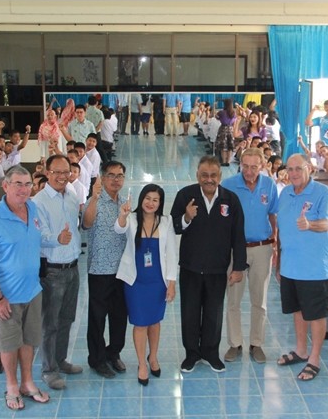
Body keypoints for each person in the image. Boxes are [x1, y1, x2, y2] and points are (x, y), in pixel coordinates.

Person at [0, 165, 49, 411]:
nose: (24, 189)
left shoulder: (32, 208)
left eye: (28, 184)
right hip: (5, 297)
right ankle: (12, 386)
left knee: (28, 341)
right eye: (18, 184)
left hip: (32, 291)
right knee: (8, 344)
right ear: (5, 186)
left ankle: (28, 382)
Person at [170, 156, 247, 373]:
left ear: (220, 176)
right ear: (197, 175)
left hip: (217, 268)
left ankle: (210, 353)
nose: (209, 179)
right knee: (190, 312)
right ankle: (191, 354)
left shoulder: (230, 200)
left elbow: (238, 235)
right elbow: (173, 226)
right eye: (204, 175)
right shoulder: (186, 196)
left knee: (214, 313)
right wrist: (186, 217)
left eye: (213, 175)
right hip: (190, 267)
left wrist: (238, 267)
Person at [275, 154, 328, 381]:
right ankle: (301, 350)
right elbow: (281, 228)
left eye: (298, 168)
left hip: (313, 267)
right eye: (290, 169)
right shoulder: (285, 193)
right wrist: (279, 261)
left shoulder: (322, 192)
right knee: (297, 309)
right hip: (290, 265)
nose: (294, 173)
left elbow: (326, 223)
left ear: (308, 168)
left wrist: (310, 224)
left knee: (316, 314)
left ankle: (314, 358)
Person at [115, 184, 177, 385]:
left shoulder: (166, 221)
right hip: (135, 281)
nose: (151, 203)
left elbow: (172, 253)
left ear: (160, 203)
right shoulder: (131, 219)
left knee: (155, 321)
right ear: (141, 199)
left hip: (157, 281)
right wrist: (123, 215)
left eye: (155, 200)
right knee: (140, 322)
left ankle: (153, 357)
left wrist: (171, 282)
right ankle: (142, 363)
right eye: (147, 198)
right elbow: (118, 228)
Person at [221, 148, 278, 364]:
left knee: (259, 299)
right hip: (236, 250)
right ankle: (235, 343)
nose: (249, 171)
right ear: (240, 164)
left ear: (262, 166)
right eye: (245, 166)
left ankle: (257, 343)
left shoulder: (269, 185)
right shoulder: (228, 185)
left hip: (262, 248)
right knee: (233, 299)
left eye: (254, 167)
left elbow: (272, 215)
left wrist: (274, 240)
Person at [32, 155, 83, 390]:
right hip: (52, 271)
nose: (62, 176)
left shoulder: (71, 196)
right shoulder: (38, 202)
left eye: (66, 172)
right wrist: (57, 239)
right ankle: (48, 370)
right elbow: (37, 236)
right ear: (47, 172)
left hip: (73, 267)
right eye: (57, 172)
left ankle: (61, 360)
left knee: (67, 319)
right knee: (50, 323)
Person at [82, 161, 128, 378]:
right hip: (100, 270)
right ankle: (97, 359)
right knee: (97, 318)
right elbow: (86, 223)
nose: (115, 179)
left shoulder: (125, 203)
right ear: (103, 177)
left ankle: (113, 353)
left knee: (119, 317)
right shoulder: (95, 201)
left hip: (123, 271)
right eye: (111, 175)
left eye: (120, 175)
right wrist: (93, 197)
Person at [215, 99, 239, 166]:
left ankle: (224, 161)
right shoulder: (233, 113)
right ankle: (228, 161)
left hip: (223, 129)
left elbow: (216, 117)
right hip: (230, 129)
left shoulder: (221, 112)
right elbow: (234, 122)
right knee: (230, 146)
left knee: (223, 147)